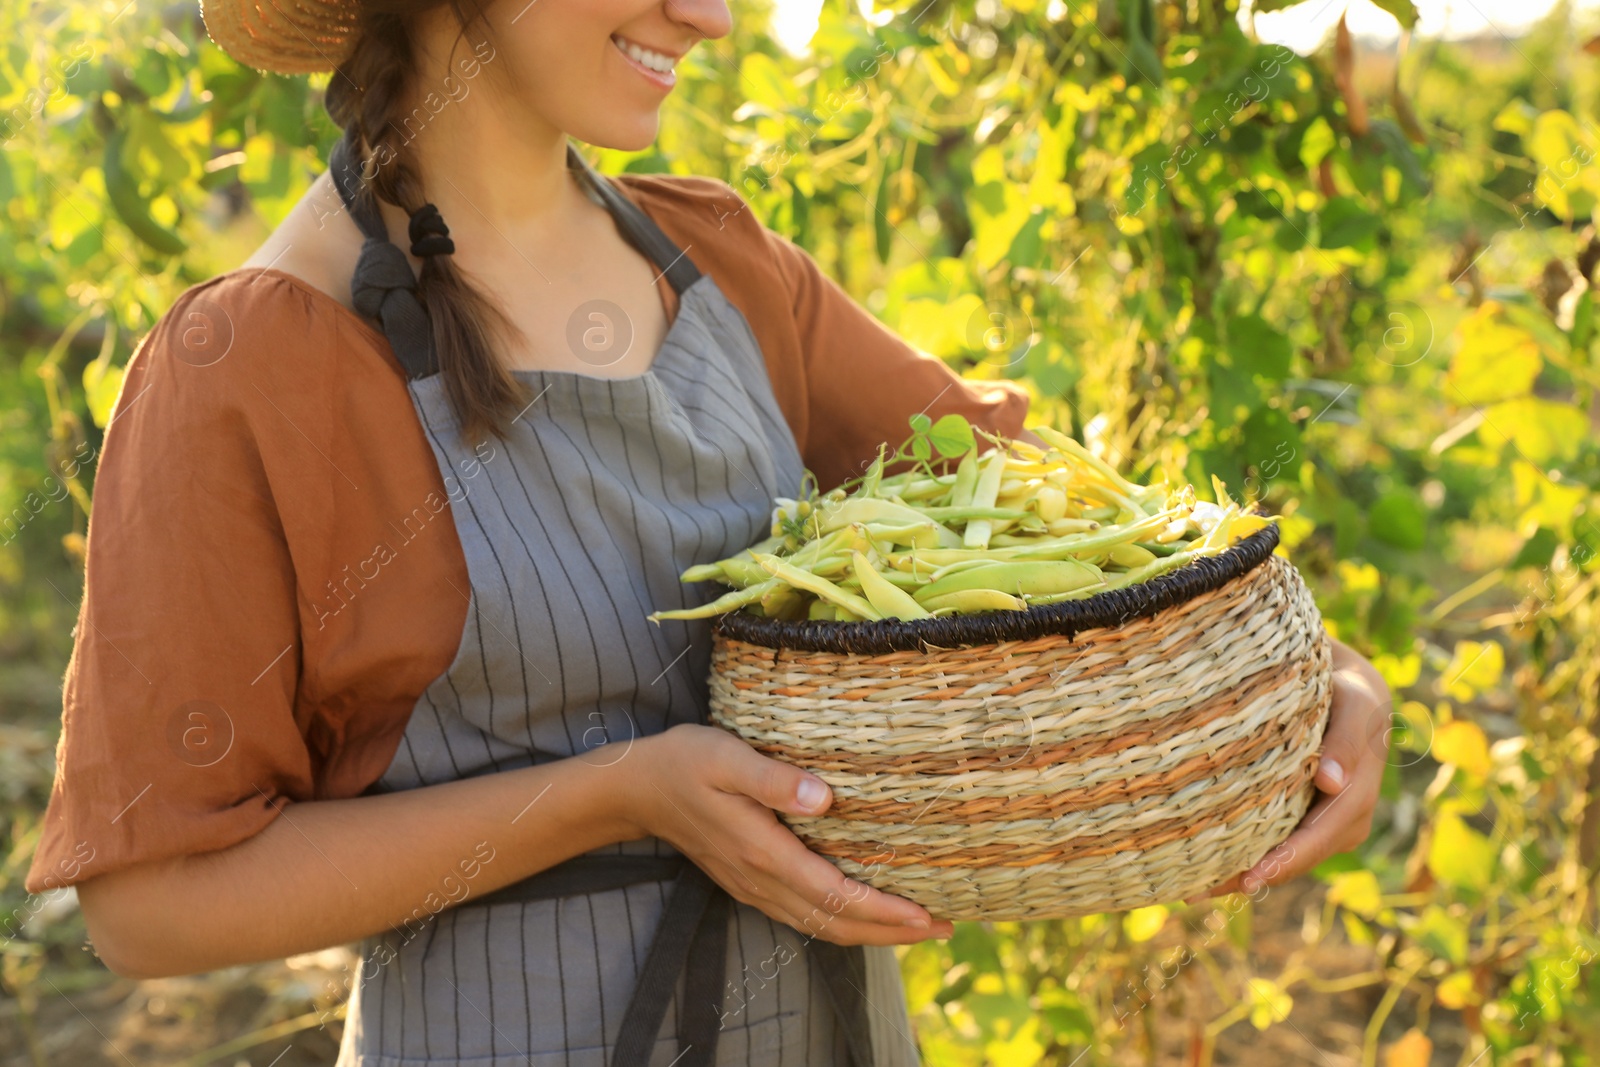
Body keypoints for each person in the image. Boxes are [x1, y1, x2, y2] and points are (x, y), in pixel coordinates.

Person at [24, 1, 1393, 1065]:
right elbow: (155, 903)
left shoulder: (721, 264)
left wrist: (1307, 680)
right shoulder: (249, 365)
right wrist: (620, 793)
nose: (716, 19)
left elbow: (1084, 536)